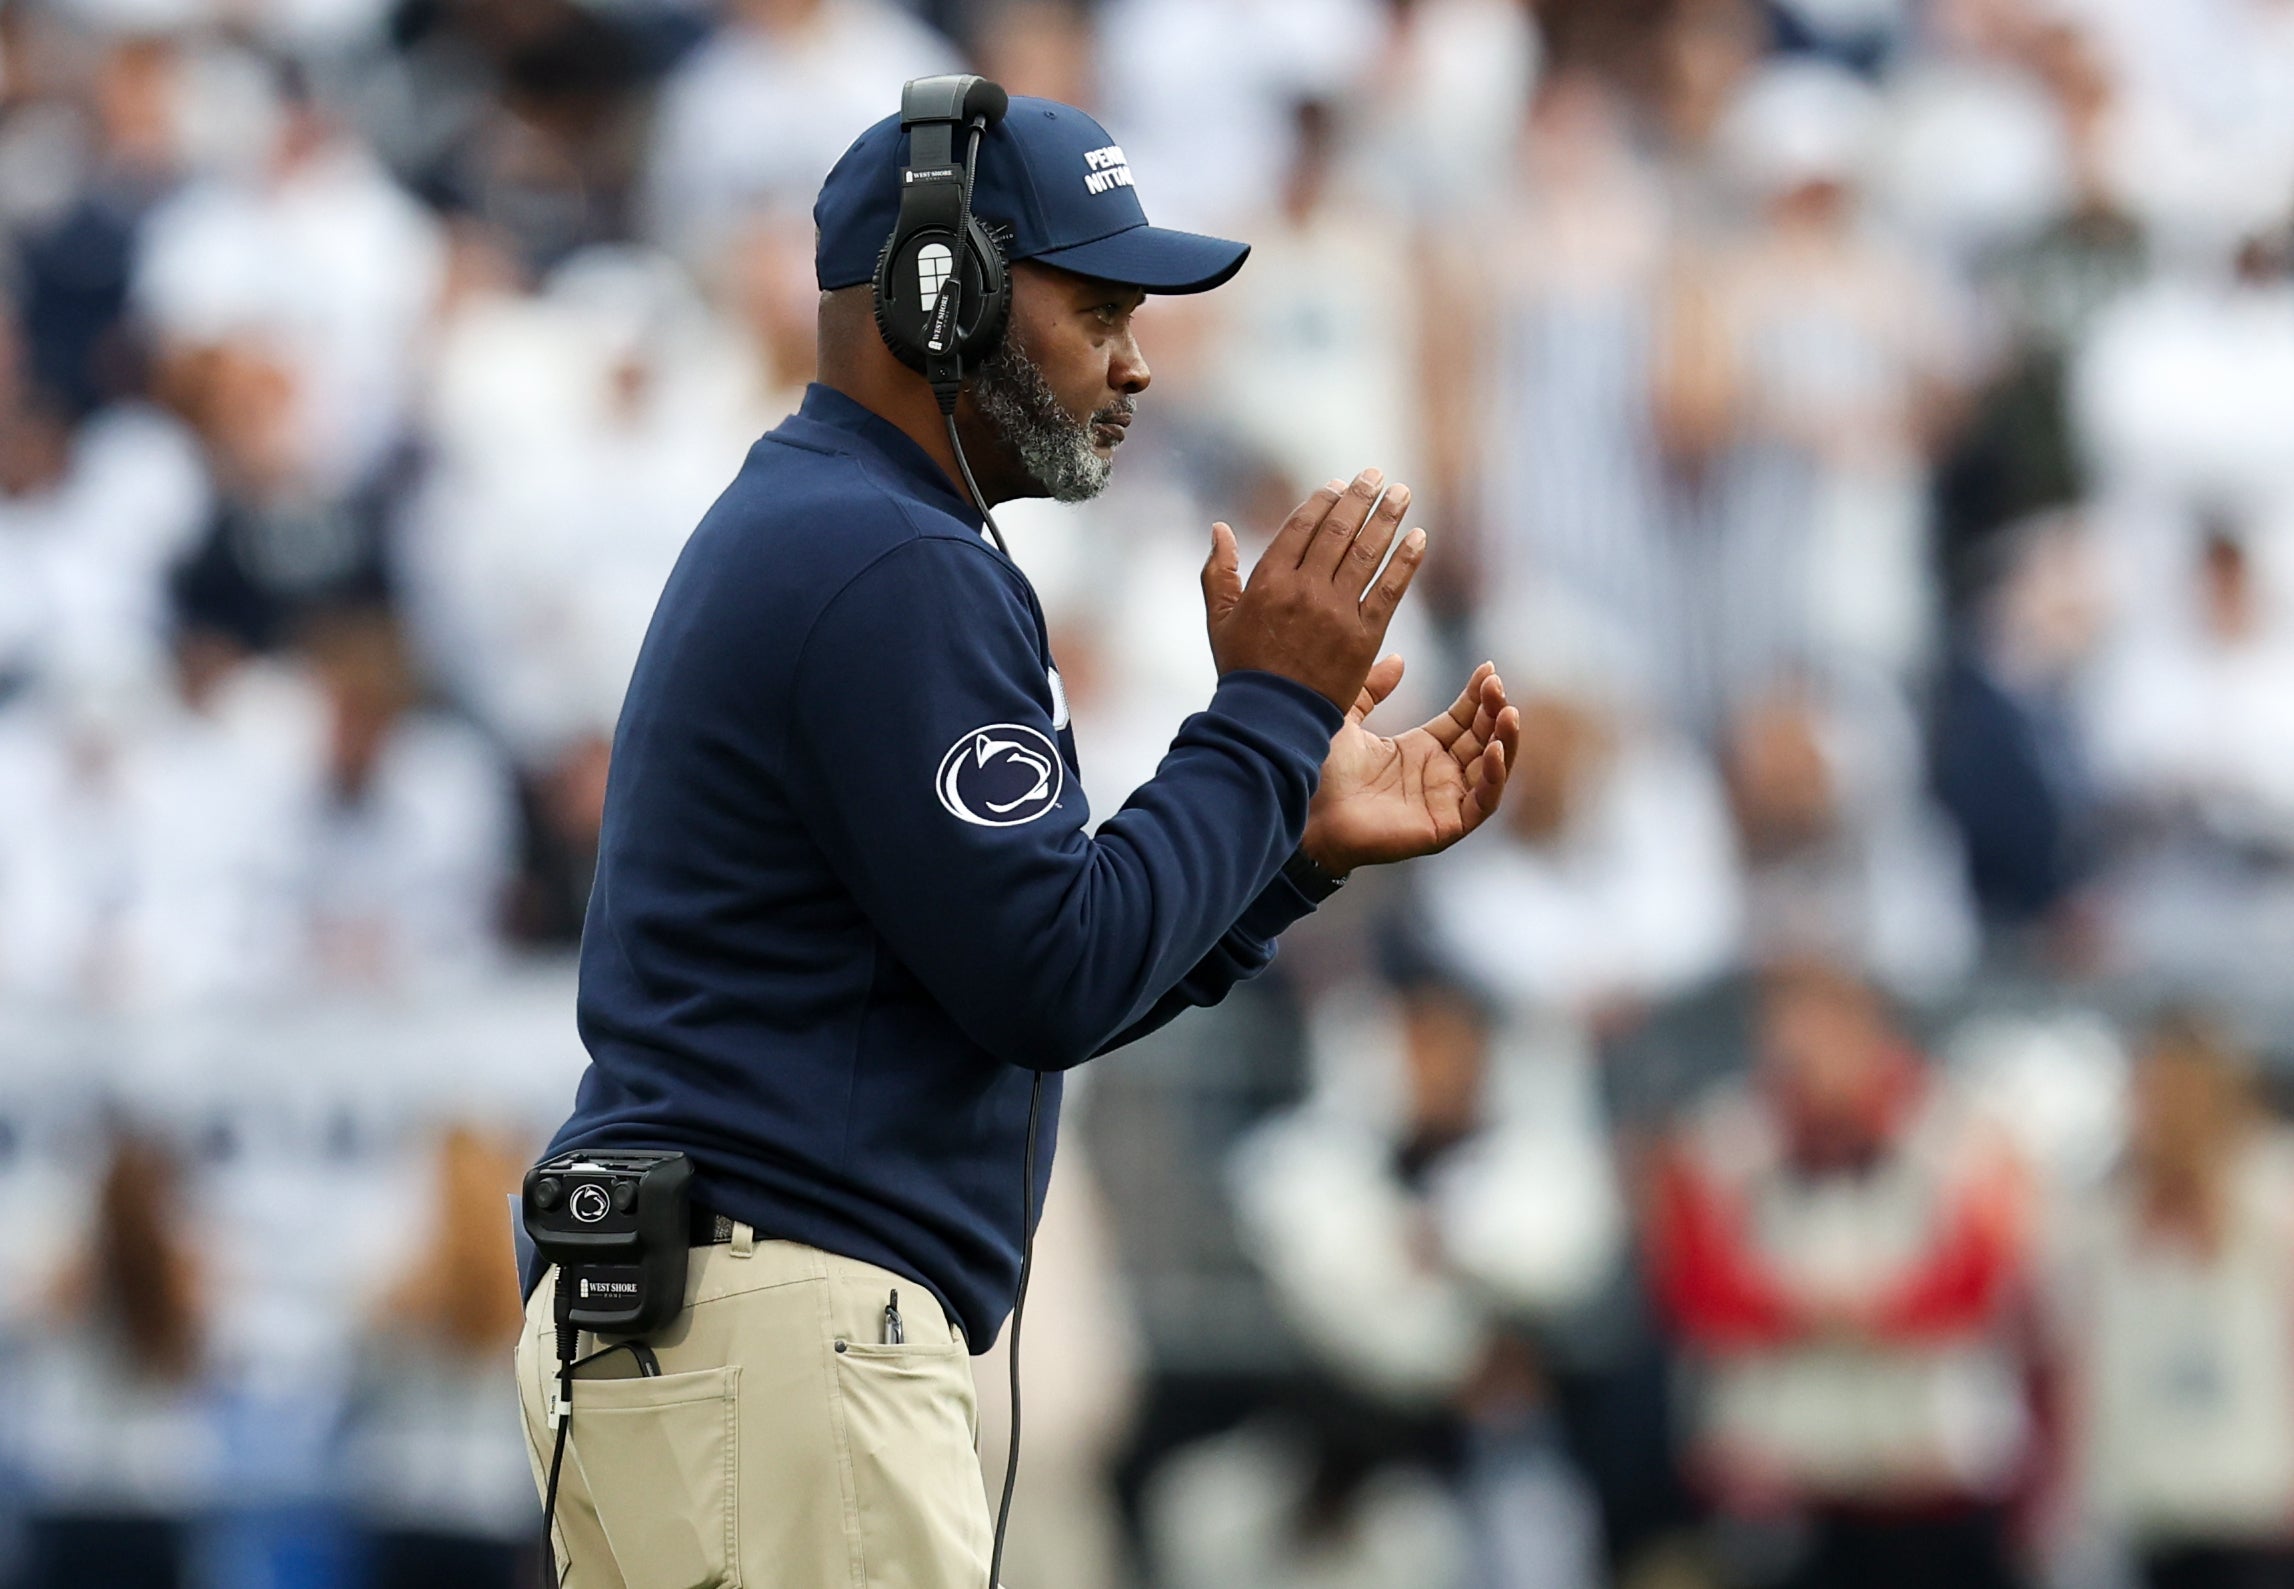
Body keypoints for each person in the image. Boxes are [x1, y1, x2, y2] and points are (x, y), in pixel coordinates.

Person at [512, 79, 1522, 1589]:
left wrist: (1284, 846)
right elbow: (1045, 974)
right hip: (781, 1335)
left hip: (715, 1333)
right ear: (944, 294)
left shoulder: (838, 529)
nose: (1135, 363)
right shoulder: (891, 556)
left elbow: (1023, 976)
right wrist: (1263, 715)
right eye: (1101, 306)